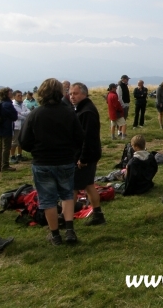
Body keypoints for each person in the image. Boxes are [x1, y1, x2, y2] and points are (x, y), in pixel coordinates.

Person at [19, 78, 85, 245]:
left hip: (42, 162)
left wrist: (36, 149)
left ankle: (55, 235)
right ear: (60, 92)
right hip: (65, 160)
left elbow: (24, 142)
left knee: (47, 200)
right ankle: (70, 230)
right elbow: (80, 138)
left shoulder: (35, 114)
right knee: (67, 195)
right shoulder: (69, 113)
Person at [69, 82, 105, 226]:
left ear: (84, 94)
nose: (72, 96)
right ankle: (98, 215)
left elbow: (88, 137)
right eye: (71, 94)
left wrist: (82, 158)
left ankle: (66, 219)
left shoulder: (87, 112)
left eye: (75, 93)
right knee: (89, 185)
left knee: (72, 188)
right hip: (88, 154)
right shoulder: (81, 109)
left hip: (85, 156)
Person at [0, 87, 18, 172]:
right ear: (6, 94)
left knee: (0, 147)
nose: (12, 94)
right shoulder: (8, 104)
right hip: (7, 127)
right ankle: (5, 165)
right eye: (10, 92)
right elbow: (14, 116)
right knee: (6, 147)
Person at [9, 90, 30, 164]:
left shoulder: (23, 104)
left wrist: (21, 113)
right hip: (16, 125)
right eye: (18, 96)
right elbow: (16, 116)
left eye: (21, 95)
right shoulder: (12, 104)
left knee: (21, 141)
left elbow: (29, 112)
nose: (20, 97)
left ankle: (19, 155)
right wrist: (24, 115)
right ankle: (12, 156)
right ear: (14, 97)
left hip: (23, 125)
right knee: (14, 141)